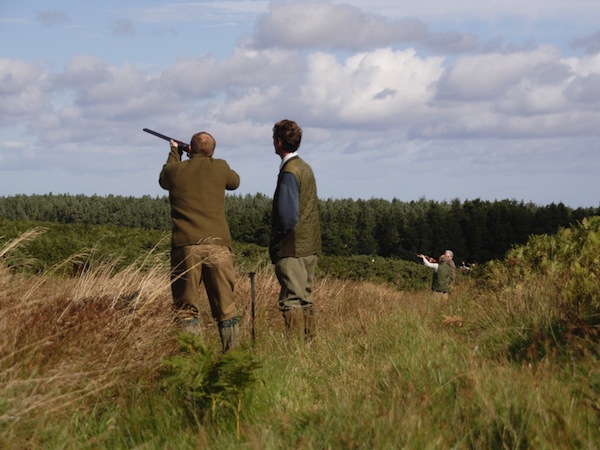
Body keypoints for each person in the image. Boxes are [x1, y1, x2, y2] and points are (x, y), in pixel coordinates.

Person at [159, 131, 241, 352]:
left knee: (186, 309)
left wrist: (175, 152)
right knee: (226, 307)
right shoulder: (221, 166)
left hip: (185, 247)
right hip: (218, 246)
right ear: (212, 151)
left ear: (191, 150)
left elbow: (164, 179)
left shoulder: (175, 170)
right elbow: (235, 182)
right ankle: (232, 360)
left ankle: (193, 362)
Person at [269, 119, 321, 341]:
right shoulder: (305, 167)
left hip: (293, 247)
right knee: (305, 299)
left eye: (274, 138)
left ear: (279, 141)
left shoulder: (289, 171)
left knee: (291, 301)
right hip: (310, 246)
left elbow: (287, 217)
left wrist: (276, 241)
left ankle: (295, 351)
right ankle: (310, 347)